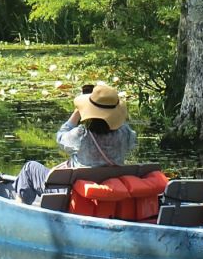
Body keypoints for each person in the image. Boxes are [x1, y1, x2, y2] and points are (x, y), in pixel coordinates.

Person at [8, 83, 137, 205]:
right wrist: (114, 116)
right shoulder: (125, 133)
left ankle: (19, 207)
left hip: (73, 192)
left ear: (88, 110)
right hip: (108, 189)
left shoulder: (82, 134)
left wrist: (77, 112)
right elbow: (129, 137)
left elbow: (60, 137)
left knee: (29, 168)